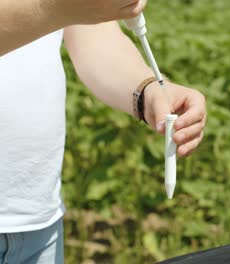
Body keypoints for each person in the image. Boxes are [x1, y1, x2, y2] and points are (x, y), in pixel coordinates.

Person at [0, 0, 206, 263]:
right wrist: (54, 10)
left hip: (38, 225)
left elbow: (90, 32)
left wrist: (147, 90)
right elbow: (63, 10)